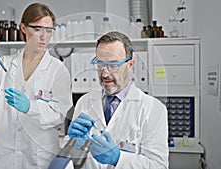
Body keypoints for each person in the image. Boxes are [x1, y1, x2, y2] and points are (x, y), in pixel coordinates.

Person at [0, 3, 72, 169]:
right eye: (37, 29)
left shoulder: (58, 70)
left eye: (49, 30)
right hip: (4, 156)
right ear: (23, 27)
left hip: (39, 157)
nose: (44, 36)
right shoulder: (6, 64)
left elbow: (60, 113)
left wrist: (31, 107)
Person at [67, 31, 169, 168]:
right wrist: (72, 145)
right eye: (100, 64)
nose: (105, 73)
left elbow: (159, 166)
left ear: (130, 65)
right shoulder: (84, 102)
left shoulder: (154, 109)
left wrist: (118, 159)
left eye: (113, 65)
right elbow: (75, 160)